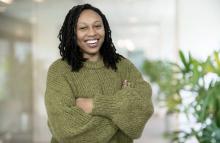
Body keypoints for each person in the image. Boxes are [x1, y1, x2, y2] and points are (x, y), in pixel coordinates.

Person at [45, 3, 154, 143]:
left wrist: (96, 105)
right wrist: (123, 113)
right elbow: (67, 131)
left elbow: (143, 109)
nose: (92, 33)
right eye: (83, 28)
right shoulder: (59, 70)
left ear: (105, 29)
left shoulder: (123, 65)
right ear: (72, 33)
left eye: (97, 26)